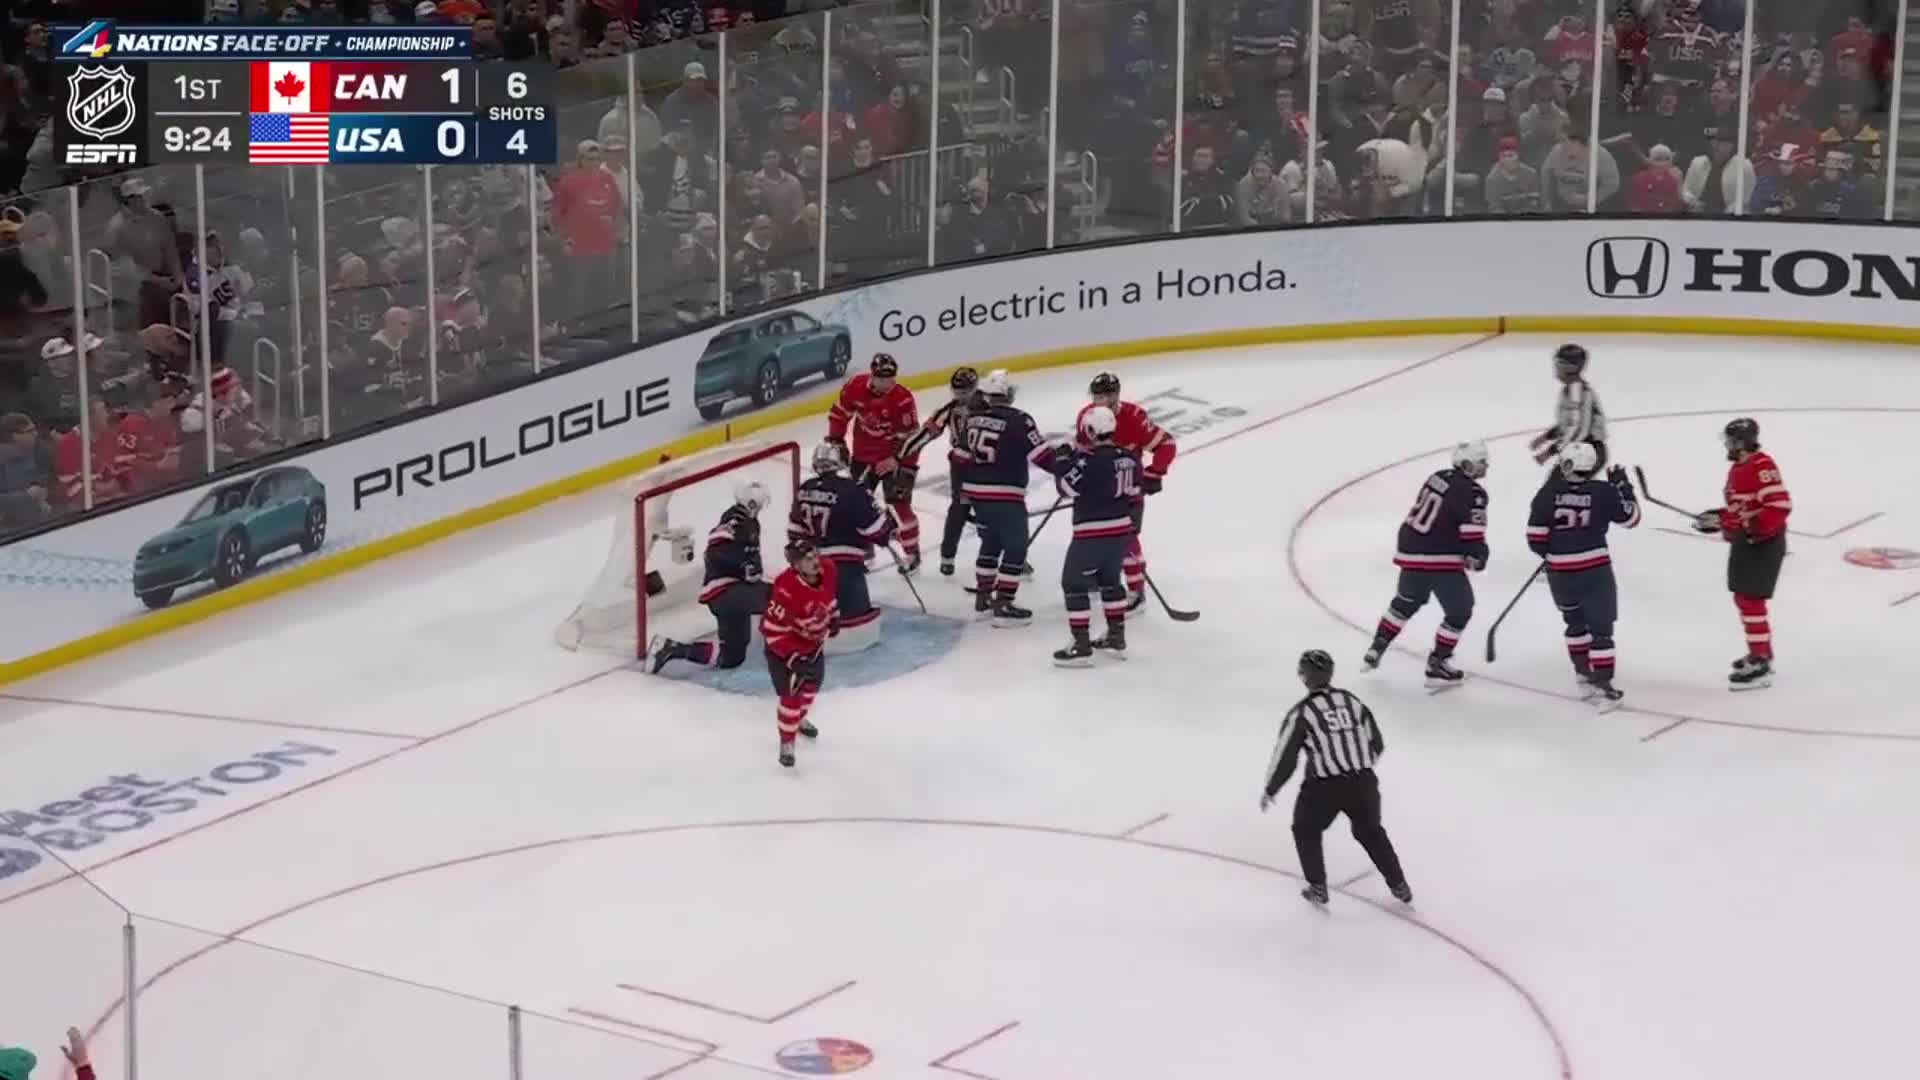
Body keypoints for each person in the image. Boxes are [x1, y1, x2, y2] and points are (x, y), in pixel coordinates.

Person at [1261, 650, 1412, 908]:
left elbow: (1286, 755)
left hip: (1323, 788)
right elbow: (1377, 742)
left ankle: (1318, 887)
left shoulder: (1303, 712)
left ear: (1303, 676)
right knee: (1371, 832)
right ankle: (1399, 884)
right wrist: (1360, 767)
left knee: (1305, 829)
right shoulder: (1352, 701)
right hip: (1364, 782)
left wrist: (1271, 789)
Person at [1363, 441, 1490, 688]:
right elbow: (1472, 535)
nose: (1486, 466)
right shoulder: (1474, 493)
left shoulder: (1437, 477)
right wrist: (1478, 556)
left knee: (1406, 602)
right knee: (1460, 610)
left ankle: (1376, 647)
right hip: (1439, 555)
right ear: (1466, 464)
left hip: (1410, 547)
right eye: (1481, 462)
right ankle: (1437, 663)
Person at [1526, 444, 1642, 708]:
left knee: (1575, 624)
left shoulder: (1548, 494)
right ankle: (1602, 685)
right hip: (1595, 572)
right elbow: (1631, 518)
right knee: (1601, 631)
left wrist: (1553, 554)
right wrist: (1624, 487)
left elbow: (1535, 538)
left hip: (1561, 574)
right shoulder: (1604, 492)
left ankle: (1584, 677)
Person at [1692, 418, 1790, 690]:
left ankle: (1761, 661)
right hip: (1748, 542)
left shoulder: (1762, 466)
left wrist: (1744, 525)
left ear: (1741, 442)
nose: (1727, 445)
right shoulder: (1738, 468)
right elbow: (1740, 509)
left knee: (1751, 600)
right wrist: (1718, 518)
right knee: (1743, 599)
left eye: (1730, 440)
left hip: (1764, 544)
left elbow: (1779, 507)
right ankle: (1760, 652)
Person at [961, 369, 1062, 626]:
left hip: (976, 493)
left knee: (991, 543)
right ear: (1008, 394)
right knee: (1017, 545)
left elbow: (959, 456)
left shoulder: (973, 419)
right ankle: (1004, 602)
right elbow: (1042, 456)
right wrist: (1066, 465)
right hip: (1004, 493)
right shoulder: (1020, 419)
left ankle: (983, 597)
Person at [647, 481, 774, 674]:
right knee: (775, 596)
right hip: (725, 590)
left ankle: (671, 649)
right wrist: (743, 564)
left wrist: (751, 569)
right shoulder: (736, 519)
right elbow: (716, 547)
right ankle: (784, 646)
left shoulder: (749, 522)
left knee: (732, 658)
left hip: (731, 594)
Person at [1079, 373, 1175, 611]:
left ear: (1117, 394)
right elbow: (1082, 454)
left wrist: (1154, 473)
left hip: (1127, 491)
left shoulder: (1134, 417)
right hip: (1096, 493)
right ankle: (1098, 577)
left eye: (1107, 394)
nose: (1102, 400)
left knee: (1126, 541)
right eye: (1098, 395)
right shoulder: (1086, 416)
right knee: (1092, 536)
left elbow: (1167, 444)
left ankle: (1136, 592)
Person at [1051, 405, 1139, 666]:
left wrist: (1063, 460)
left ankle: (1081, 645)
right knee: (1110, 581)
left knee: (1073, 583)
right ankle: (1115, 636)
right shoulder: (1130, 458)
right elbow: (1134, 494)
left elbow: (1065, 487)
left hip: (1091, 533)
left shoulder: (1087, 462)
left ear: (1090, 431)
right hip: (1121, 531)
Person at [788, 441, 894, 646]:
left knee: (811, 622)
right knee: (857, 630)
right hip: (844, 570)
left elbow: (794, 532)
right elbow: (876, 530)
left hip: (808, 568)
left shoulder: (804, 489)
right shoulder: (852, 490)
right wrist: (888, 527)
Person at [826, 352, 923, 570]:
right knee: (856, 506)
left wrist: (897, 461)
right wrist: (836, 441)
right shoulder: (855, 386)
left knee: (900, 505)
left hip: (896, 458)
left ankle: (912, 552)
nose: (887, 383)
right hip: (862, 457)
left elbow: (913, 439)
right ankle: (862, 552)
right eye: (882, 378)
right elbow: (839, 414)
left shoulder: (903, 399)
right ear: (873, 375)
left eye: (891, 378)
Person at [896, 367, 981, 577]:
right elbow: (924, 434)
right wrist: (902, 454)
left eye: (964, 392)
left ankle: (1012, 558)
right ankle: (947, 557)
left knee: (991, 512)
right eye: (956, 392)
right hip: (961, 466)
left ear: (974, 388)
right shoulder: (948, 410)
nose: (960, 396)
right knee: (959, 510)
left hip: (986, 465)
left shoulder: (988, 405)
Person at [762, 538, 836, 768]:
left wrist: (833, 617)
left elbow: (828, 597)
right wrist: (791, 657)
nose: (815, 561)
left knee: (813, 684)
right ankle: (787, 744)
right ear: (796, 565)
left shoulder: (829, 569)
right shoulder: (786, 588)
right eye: (807, 559)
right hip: (782, 648)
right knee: (791, 696)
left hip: (812, 645)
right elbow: (772, 630)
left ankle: (799, 719)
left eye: (815, 554)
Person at [1529, 343, 1609, 468]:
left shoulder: (1578, 393)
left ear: (1570, 368)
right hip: (1580, 450)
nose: (1555, 367)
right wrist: (1545, 437)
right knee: (1557, 485)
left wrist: (1549, 452)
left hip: (1589, 452)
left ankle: (1618, 485)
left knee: (1558, 486)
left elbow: (1578, 431)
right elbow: (1567, 425)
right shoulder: (1569, 390)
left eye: (1559, 363)